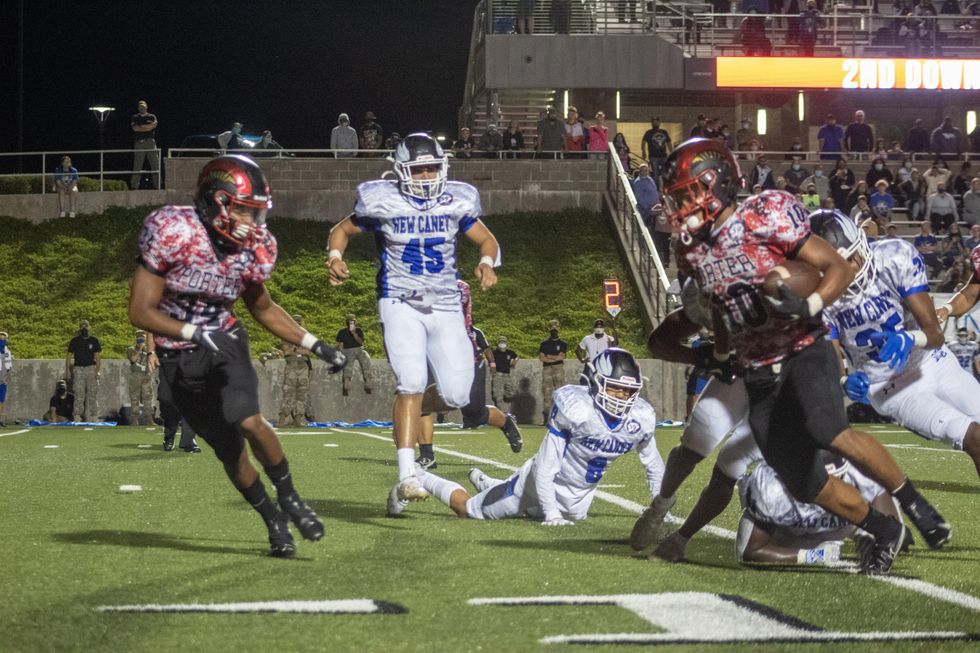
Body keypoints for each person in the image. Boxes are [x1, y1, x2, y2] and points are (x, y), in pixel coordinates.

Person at [657, 138, 951, 574]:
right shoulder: (692, 248)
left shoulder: (766, 212)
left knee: (827, 428)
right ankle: (883, 529)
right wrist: (722, 350)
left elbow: (834, 267)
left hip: (802, 346)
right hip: (759, 366)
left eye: (687, 193)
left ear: (715, 183)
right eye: (677, 197)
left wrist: (807, 304)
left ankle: (915, 504)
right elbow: (720, 303)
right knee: (802, 477)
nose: (681, 205)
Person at [129, 154, 346, 558]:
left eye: (256, 212)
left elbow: (262, 308)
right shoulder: (172, 230)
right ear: (216, 200)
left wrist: (316, 344)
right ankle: (273, 522)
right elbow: (140, 312)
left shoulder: (256, 247)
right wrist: (193, 332)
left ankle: (291, 497)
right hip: (179, 355)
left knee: (248, 419)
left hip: (226, 342)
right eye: (244, 210)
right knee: (229, 450)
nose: (252, 222)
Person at [325, 133, 501, 507]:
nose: (425, 176)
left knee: (456, 393)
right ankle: (407, 472)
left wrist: (486, 263)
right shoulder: (383, 201)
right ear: (402, 171)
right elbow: (340, 230)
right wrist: (335, 257)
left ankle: (414, 406)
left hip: (446, 304)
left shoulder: (456, 200)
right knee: (411, 380)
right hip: (399, 301)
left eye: (431, 168)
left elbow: (488, 240)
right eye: (418, 169)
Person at [388, 349, 665, 527]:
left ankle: (490, 483)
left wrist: (659, 508)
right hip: (535, 484)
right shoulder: (576, 409)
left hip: (577, 500)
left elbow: (653, 466)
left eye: (629, 392)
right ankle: (418, 476)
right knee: (469, 510)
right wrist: (552, 514)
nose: (622, 399)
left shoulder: (638, 419)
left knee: (553, 512)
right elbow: (544, 469)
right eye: (615, 390)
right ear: (594, 383)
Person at [812, 209, 980, 478]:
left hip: (931, 362)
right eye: (839, 265)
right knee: (974, 438)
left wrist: (908, 337)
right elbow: (833, 360)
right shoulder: (817, 296)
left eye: (853, 256)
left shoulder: (895, 257)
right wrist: (843, 381)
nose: (852, 269)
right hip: (889, 386)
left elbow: (934, 335)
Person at [736, 458, 906, 566]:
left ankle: (861, 531)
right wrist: (812, 556)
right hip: (789, 532)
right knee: (751, 549)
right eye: (817, 484)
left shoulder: (862, 475)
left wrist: (876, 539)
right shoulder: (772, 486)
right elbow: (751, 550)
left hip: (846, 520)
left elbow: (897, 535)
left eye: (834, 483)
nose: (824, 491)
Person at [278, 314, 312, 427]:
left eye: (298, 322)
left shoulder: (305, 335)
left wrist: (296, 350)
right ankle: (282, 418)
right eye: (295, 322)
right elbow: (286, 352)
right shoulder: (286, 335)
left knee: (301, 393)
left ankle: (298, 418)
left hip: (303, 365)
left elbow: (307, 352)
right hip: (291, 365)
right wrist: (299, 350)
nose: (297, 324)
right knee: (288, 392)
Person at [66, 320, 101, 422]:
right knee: (78, 393)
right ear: (80, 328)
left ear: (89, 328)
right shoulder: (74, 341)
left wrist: (97, 371)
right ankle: (77, 416)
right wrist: (68, 371)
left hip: (91, 368)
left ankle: (94, 416)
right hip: (78, 369)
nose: (84, 328)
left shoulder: (94, 340)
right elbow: (68, 356)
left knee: (93, 393)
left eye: (86, 326)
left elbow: (98, 357)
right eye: (82, 327)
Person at [632, 164, 666, 262]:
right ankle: (646, 251)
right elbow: (639, 198)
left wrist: (658, 204)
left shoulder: (650, 180)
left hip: (656, 210)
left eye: (647, 170)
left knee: (657, 233)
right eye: (644, 170)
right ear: (640, 171)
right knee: (648, 232)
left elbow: (655, 193)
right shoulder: (638, 182)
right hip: (647, 212)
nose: (646, 172)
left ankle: (656, 252)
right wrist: (650, 208)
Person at [335, 314, 372, 396]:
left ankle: (368, 380)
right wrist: (339, 350)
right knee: (348, 362)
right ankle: (347, 381)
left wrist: (354, 334)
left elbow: (360, 342)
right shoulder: (342, 332)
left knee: (366, 358)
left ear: (355, 322)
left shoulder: (358, 330)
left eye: (352, 322)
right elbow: (339, 344)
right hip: (348, 350)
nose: (351, 324)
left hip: (359, 349)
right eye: (349, 322)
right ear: (346, 322)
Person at [539, 319, 568, 423]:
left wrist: (549, 356)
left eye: (556, 326)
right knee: (547, 394)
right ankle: (547, 419)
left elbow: (561, 357)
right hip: (547, 369)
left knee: (560, 393)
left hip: (558, 368)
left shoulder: (563, 343)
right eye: (552, 327)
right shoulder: (544, 343)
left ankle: (561, 419)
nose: (554, 329)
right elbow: (542, 358)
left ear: (559, 328)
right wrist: (554, 357)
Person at [126, 330, 155, 425]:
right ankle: (135, 420)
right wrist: (140, 349)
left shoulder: (149, 350)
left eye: (143, 337)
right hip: (135, 376)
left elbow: (152, 362)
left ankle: (150, 419)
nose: (142, 339)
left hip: (146, 375)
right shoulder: (131, 349)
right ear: (137, 338)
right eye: (140, 337)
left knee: (148, 398)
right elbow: (133, 359)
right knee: (135, 398)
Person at [130, 100, 159, 189]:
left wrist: (142, 126)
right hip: (140, 142)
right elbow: (135, 128)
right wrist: (147, 127)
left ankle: (157, 185)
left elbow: (154, 125)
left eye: (143, 106)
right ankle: (134, 186)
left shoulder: (152, 116)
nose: (142, 108)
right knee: (137, 165)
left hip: (150, 142)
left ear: (146, 107)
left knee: (155, 164)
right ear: (138, 108)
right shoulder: (135, 117)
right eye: (140, 107)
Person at [491, 335, 519, 408]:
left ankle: (507, 408)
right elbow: (490, 361)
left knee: (511, 393)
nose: (502, 343)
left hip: (507, 375)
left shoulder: (510, 352)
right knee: (497, 395)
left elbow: (517, 357)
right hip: (498, 375)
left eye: (503, 342)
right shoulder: (494, 352)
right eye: (501, 342)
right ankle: (500, 412)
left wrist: (514, 361)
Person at [641, 117, 672, 181]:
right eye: (654, 122)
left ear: (659, 122)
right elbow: (643, 142)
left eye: (656, 121)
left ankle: (664, 188)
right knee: (655, 173)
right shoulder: (648, 132)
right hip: (653, 156)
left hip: (663, 155)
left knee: (665, 173)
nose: (655, 123)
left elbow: (669, 142)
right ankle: (656, 189)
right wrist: (644, 152)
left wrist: (671, 152)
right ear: (652, 123)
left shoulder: (664, 132)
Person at [0, 331, 11, 426]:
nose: (2, 340)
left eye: (4, 339)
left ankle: (0, 419)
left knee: (1, 399)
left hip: (3, 377)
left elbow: (8, 366)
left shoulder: (8, 351)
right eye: (0, 339)